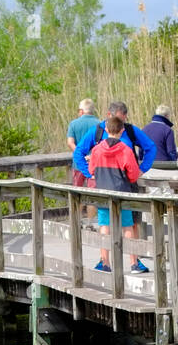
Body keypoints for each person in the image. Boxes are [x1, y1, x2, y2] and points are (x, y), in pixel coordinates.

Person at [73, 102, 156, 272]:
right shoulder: (104, 136)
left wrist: (143, 168)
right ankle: (119, 262)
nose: (121, 122)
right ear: (109, 116)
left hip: (106, 190)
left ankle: (121, 262)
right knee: (126, 225)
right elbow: (78, 152)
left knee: (115, 225)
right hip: (123, 190)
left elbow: (150, 147)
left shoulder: (123, 135)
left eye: (123, 118)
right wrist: (89, 175)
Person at [87, 113, 144, 272]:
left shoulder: (96, 150)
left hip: (103, 194)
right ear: (121, 131)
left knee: (105, 226)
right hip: (121, 194)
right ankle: (133, 263)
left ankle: (105, 263)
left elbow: (91, 170)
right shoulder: (125, 150)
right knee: (127, 227)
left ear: (106, 129)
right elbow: (133, 175)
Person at [67, 99, 99, 188]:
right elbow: (102, 144)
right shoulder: (99, 124)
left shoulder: (73, 124)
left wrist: (81, 155)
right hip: (94, 164)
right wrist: (91, 155)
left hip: (78, 164)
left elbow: (70, 143)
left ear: (81, 111)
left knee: (76, 192)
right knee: (93, 195)